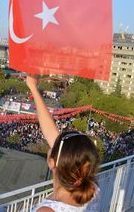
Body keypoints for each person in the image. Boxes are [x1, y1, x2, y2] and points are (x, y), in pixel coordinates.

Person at [26, 74, 100, 212]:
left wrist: (33, 88)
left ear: (52, 162)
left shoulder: (48, 210)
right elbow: (52, 135)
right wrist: (33, 89)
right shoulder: (91, 189)